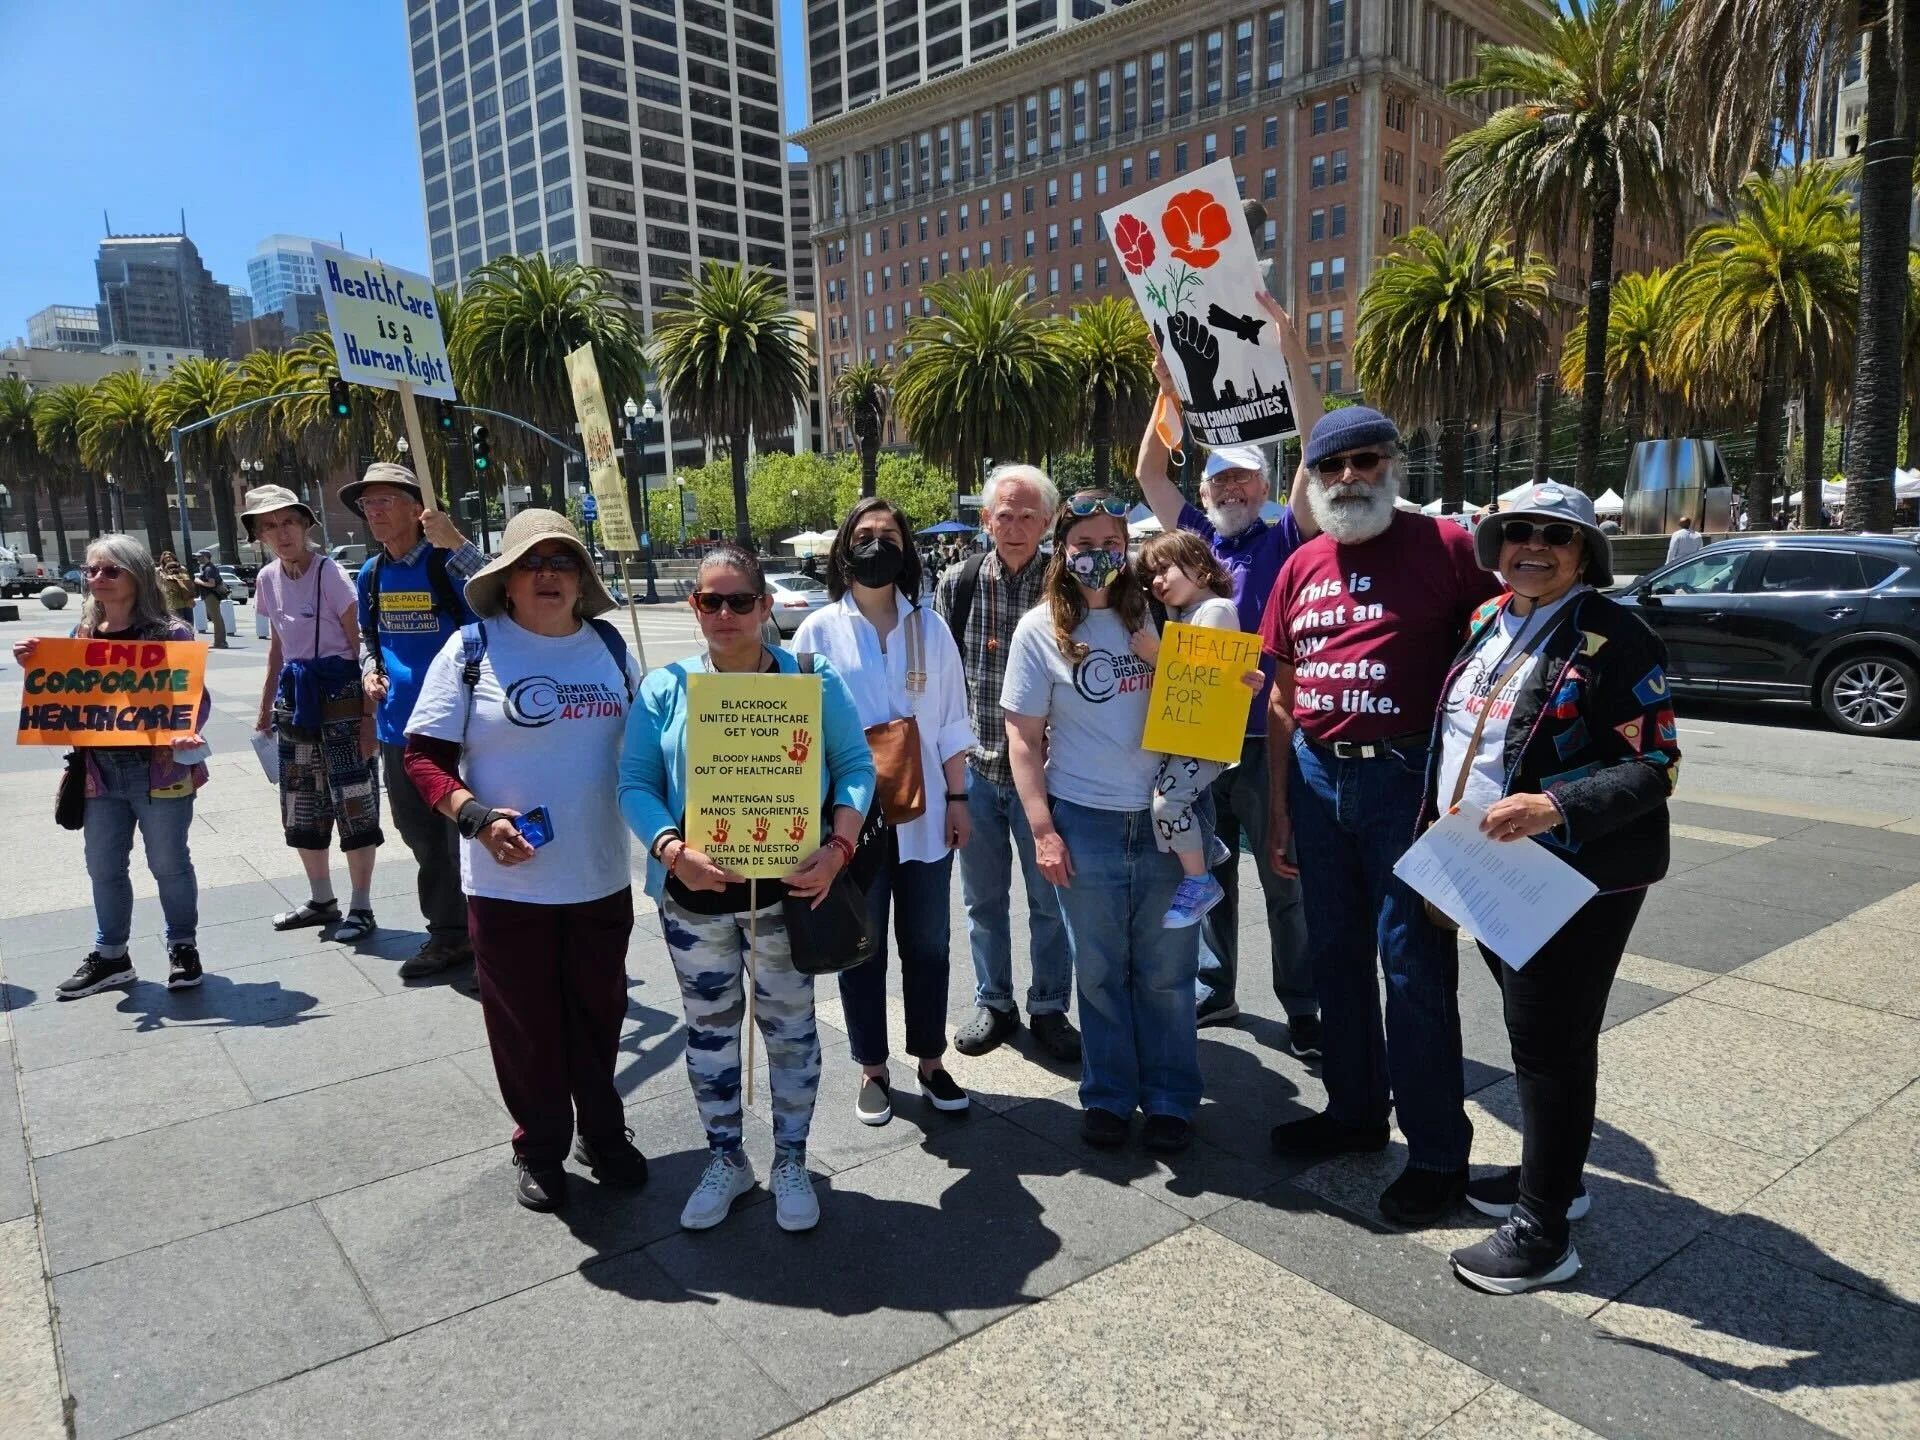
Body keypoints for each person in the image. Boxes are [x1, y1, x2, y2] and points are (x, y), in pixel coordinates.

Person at [1423, 483, 1679, 1292]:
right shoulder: (1484, 621)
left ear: (1584, 552)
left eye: (1553, 536)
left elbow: (1656, 764)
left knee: (1549, 1042)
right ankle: (1556, 1182)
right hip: (1483, 859)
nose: (1531, 546)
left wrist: (1554, 804)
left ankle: (1543, 1232)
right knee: (1535, 1031)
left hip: (1573, 872)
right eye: (1514, 533)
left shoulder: (1617, 634)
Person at [1261, 409, 1501, 1225]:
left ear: (1393, 464)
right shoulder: (1300, 564)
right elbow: (1285, 694)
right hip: (1319, 778)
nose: (1348, 479)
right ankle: (1356, 1114)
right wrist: (1282, 808)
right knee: (1334, 956)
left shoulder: (1448, 547)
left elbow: (1504, 647)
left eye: (1364, 462)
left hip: (1408, 783)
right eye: (1331, 468)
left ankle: (1437, 1153)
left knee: (1414, 968)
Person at [619, 543, 874, 1234]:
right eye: (710, 600)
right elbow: (635, 784)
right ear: (693, 607)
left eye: (739, 600)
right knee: (709, 1034)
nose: (724, 613)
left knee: (790, 1034)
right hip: (697, 897)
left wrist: (840, 847)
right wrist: (672, 851)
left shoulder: (812, 681)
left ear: (767, 607)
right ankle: (726, 1157)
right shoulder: (664, 687)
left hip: (789, 896)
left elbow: (855, 767)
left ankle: (791, 1159)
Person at [403, 509, 648, 1213]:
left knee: (601, 1015)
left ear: (583, 580)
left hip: (600, 876)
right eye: (532, 563)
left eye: (563, 562)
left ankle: (602, 1133)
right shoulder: (471, 648)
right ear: (505, 581)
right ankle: (539, 1147)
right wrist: (475, 818)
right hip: (507, 886)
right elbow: (423, 756)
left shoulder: (608, 646)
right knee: (526, 1027)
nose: (548, 575)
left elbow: (648, 747)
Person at [1136, 289, 1322, 1049]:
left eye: (1243, 480)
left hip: (1265, 734)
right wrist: (1168, 392)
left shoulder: (1285, 536)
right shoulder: (1193, 540)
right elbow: (1151, 472)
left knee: (1283, 875)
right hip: (1200, 735)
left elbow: (1317, 450)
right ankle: (1218, 991)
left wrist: (1294, 358)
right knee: (1205, 873)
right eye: (1219, 482)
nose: (1230, 490)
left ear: (1267, 489)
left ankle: (1302, 1007)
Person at [1003, 492, 1200, 1153]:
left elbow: (1210, 694)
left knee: (1169, 973)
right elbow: (1023, 738)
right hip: (1083, 821)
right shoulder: (1039, 632)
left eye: (1110, 542)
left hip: (1168, 823)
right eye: (1083, 545)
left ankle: (1172, 1098)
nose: (1098, 557)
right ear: (1063, 551)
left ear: (1129, 545)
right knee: (1099, 973)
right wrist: (1042, 829)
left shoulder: (1162, 612)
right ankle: (1110, 1096)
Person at [794, 498, 977, 1126]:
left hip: (926, 818)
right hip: (851, 821)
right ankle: (872, 1067)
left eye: (889, 535)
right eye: (864, 535)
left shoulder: (931, 629)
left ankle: (929, 1059)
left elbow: (953, 724)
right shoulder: (816, 632)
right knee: (860, 945)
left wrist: (958, 800)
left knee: (928, 943)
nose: (877, 544)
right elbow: (799, 729)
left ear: (906, 550)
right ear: (845, 548)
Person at [14, 536, 211, 999]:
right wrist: (36, 668)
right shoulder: (83, 634)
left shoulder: (170, 633)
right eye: (91, 571)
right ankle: (111, 955)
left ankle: (183, 946)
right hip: (99, 772)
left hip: (159, 771)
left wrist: (187, 731)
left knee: (168, 864)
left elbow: (196, 701)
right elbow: (71, 695)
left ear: (136, 574)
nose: (97, 579)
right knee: (103, 865)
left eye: (109, 571)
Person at [936, 465, 1081, 1063]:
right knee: (982, 901)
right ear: (985, 519)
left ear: (1047, 522)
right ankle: (993, 1001)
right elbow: (943, 682)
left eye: (1028, 516)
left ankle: (1049, 1005)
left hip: (1050, 778)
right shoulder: (958, 583)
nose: (1015, 526)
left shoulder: (1070, 585)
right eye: (1005, 514)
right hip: (977, 772)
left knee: (1052, 902)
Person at [346, 461, 486, 979]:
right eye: (368, 504)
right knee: (421, 836)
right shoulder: (372, 573)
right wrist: (369, 672)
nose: (374, 512)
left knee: (469, 835)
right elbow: (369, 637)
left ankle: (486, 938)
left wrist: (459, 542)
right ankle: (450, 937)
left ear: (415, 507)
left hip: (458, 731)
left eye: (385, 500)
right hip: (397, 729)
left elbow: (502, 597)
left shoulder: (447, 563)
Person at [246, 484, 384, 943]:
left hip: (343, 699)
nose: (281, 533)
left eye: (288, 522)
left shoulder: (330, 574)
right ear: (259, 534)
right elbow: (279, 646)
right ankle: (322, 899)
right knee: (301, 803)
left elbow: (362, 643)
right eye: (269, 526)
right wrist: (264, 706)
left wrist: (369, 719)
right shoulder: (267, 578)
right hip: (296, 704)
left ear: (305, 525)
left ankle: (361, 905)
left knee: (355, 800)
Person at [1130, 530, 1265, 928]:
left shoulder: (1216, 610)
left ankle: (1199, 879)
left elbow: (1205, 676)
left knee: (1167, 803)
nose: (1157, 581)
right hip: (1189, 735)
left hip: (1205, 738)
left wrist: (1158, 656)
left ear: (1201, 570)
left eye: (1164, 569)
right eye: (1150, 575)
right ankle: (1205, 843)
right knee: (1168, 797)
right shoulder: (1185, 613)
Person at [193, 548, 228, 649]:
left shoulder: (209, 569)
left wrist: (197, 581)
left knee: (216, 618)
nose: (197, 558)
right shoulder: (208, 568)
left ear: (205, 557)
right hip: (209, 595)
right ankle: (220, 641)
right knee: (215, 618)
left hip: (211, 595)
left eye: (199, 557)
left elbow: (211, 584)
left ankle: (220, 642)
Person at [157, 551, 196, 625]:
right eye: (166, 558)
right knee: (178, 625)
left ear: (174, 558)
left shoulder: (182, 569)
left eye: (170, 557)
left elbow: (188, 584)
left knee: (189, 624)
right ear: (163, 560)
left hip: (186, 600)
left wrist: (192, 598)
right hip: (172, 602)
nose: (168, 559)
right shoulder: (160, 571)